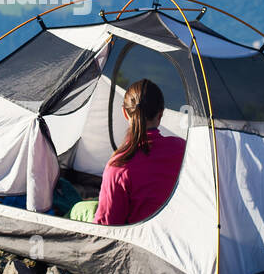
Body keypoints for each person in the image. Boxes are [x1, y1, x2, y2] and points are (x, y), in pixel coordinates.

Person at [67, 78, 186, 225]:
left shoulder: (119, 165)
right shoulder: (183, 150)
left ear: (124, 112)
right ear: (160, 115)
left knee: (78, 209)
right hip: (177, 236)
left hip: (136, 244)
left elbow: (107, 226)